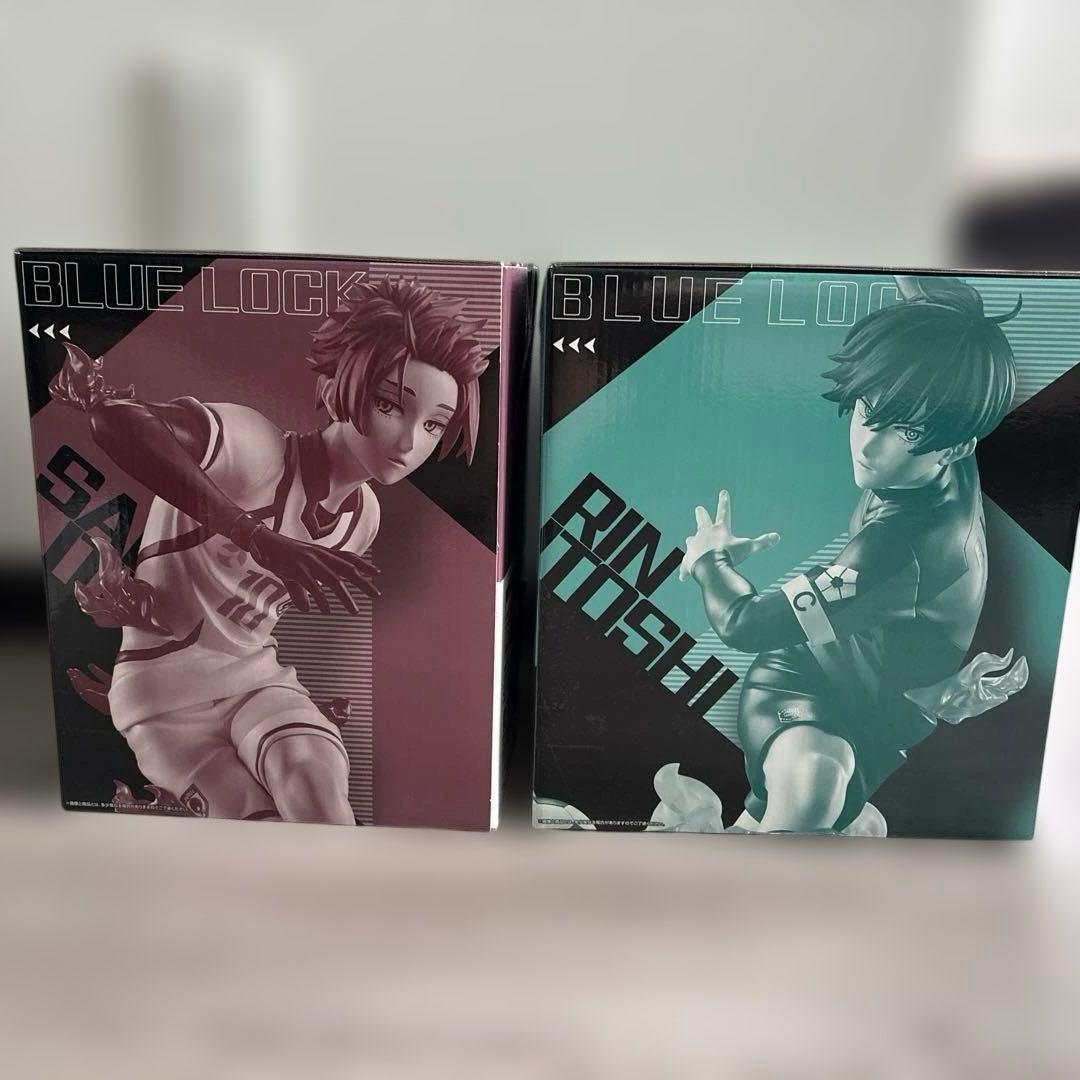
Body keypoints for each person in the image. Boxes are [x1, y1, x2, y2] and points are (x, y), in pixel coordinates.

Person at [54, 277, 489, 824]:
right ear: (339, 385)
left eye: (433, 425)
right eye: (389, 405)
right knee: (255, 825)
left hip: (257, 681)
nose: (409, 442)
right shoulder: (254, 448)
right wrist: (257, 538)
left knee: (315, 790)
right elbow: (115, 421)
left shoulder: (364, 518)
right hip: (165, 700)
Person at [676, 276, 1027, 835]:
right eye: (867, 409)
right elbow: (940, 335)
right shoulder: (951, 419)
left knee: (798, 819)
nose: (867, 444)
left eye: (903, 430)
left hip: (878, 709)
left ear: (958, 445)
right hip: (805, 686)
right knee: (814, 778)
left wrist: (709, 562)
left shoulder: (892, 552)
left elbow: (743, 623)